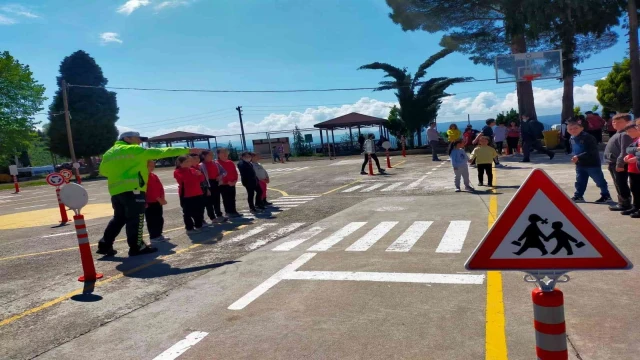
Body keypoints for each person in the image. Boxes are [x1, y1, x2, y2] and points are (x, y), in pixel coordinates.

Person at [97, 131, 192, 257]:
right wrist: (186, 150)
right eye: (138, 138)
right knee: (135, 219)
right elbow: (161, 152)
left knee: (118, 219)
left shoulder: (109, 153)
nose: (140, 141)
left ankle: (105, 245)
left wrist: (121, 172)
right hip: (134, 189)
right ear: (127, 138)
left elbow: (103, 171)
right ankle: (136, 247)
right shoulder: (134, 149)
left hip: (116, 191)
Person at [566, 120, 611, 203]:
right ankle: (578, 196)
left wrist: (578, 157)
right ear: (567, 130)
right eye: (570, 129)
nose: (573, 130)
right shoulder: (572, 138)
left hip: (592, 164)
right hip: (580, 164)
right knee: (580, 181)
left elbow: (592, 151)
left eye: (575, 128)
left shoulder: (588, 137)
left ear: (581, 128)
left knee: (599, 181)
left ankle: (606, 195)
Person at [604, 113, 634, 212]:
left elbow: (625, 150)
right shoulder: (618, 133)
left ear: (628, 122)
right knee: (618, 183)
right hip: (613, 163)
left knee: (621, 183)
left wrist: (620, 164)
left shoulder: (625, 134)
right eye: (613, 121)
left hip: (619, 164)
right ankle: (622, 202)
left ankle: (625, 203)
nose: (615, 123)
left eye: (619, 122)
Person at [174, 155, 206, 233]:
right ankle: (189, 228)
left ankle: (198, 225)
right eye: (187, 161)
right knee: (187, 212)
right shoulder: (177, 171)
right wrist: (195, 175)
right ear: (180, 163)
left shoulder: (192, 170)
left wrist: (200, 174)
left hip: (197, 192)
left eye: (189, 161)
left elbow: (201, 179)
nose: (189, 163)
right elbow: (184, 180)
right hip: (186, 195)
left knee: (199, 210)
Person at [145, 160, 169, 242]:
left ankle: (159, 234)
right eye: (150, 166)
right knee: (152, 220)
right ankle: (153, 236)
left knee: (159, 218)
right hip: (150, 202)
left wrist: (162, 197)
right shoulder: (144, 177)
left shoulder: (154, 176)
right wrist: (158, 198)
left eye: (153, 166)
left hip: (158, 201)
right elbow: (148, 191)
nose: (152, 167)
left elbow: (160, 187)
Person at [200, 150, 227, 224]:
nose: (212, 156)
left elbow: (224, 171)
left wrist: (220, 176)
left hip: (216, 182)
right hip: (208, 183)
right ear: (204, 156)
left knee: (217, 200)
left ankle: (219, 215)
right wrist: (206, 187)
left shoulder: (216, 163)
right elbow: (202, 178)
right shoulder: (201, 165)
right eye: (210, 155)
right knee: (209, 202)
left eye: (212, 155)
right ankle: (212, 217)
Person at [216, 148, 242, 218]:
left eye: (226, 152)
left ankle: (234, 211)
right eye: (223, 152)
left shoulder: (230, 162)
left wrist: (234, 181)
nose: (225, 154)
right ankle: (228, 212)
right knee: (226, 199)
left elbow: (235, 173)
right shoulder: (216, 163)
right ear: (218, 154)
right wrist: (227, 181)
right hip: (223, 184)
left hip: (232, 183)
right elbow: (219, 174)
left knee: (233, 198)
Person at [624, 124, 640, 217]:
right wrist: (637, 149)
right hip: (633, 168)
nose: (628, 133)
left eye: (630, 131)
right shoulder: (637, 140)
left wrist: (636, 157)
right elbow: (628, 149)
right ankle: (636, 206)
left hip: (637, 168)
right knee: (634, 189)